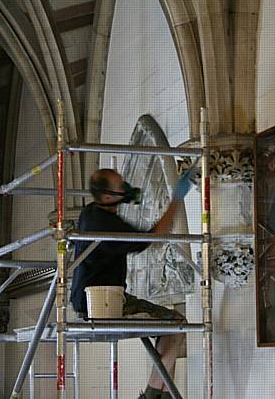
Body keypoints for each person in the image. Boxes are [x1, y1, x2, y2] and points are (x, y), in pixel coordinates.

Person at [70, 167, 195, 399]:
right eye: (121, 187)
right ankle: (151, 395)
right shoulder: (107, 224)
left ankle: (163, 395)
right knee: (177, 325)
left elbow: (120, 207)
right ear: (107, 196)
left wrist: (129, 196)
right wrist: (176, 199)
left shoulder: (90, 212)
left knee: (171, 329)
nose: (126, 188)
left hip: (89, 296)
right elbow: (155, 239)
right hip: (103, 300)